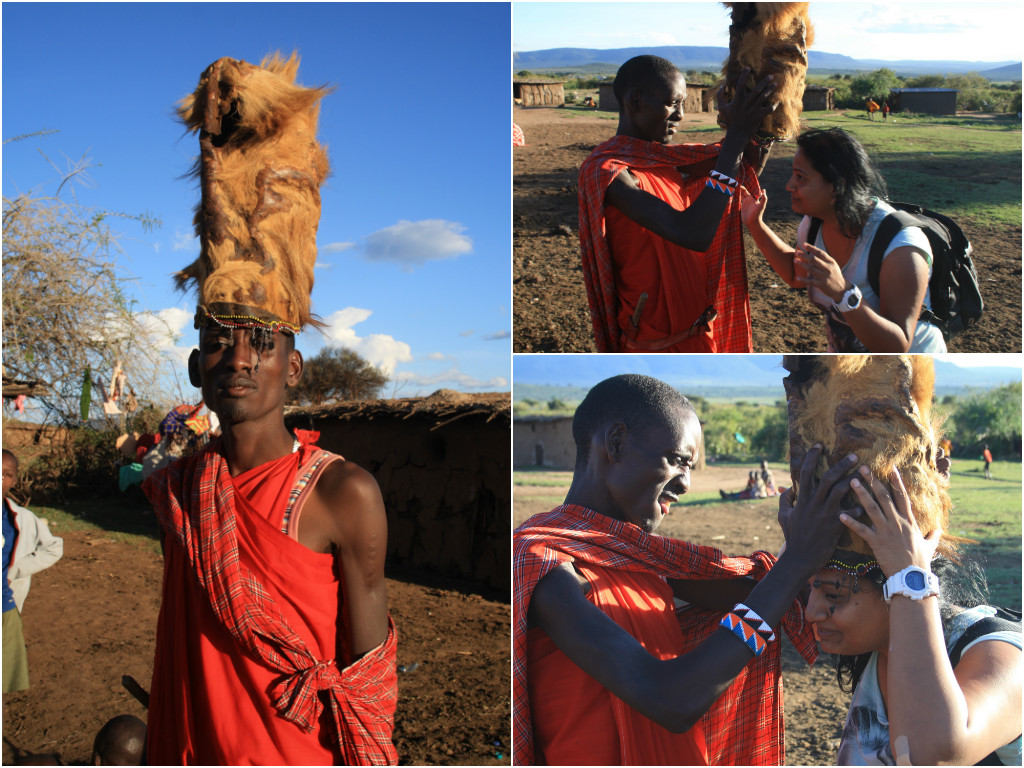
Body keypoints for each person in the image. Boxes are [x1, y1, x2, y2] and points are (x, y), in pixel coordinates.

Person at [142, 52, 397, 765]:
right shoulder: (185, 493)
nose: (240, 358)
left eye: (261, 341)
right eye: (219, 341)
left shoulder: (344, 494)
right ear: (197, 367)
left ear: (295, 364)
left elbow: (368, 678)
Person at [513, 374, 865, 765]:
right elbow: (670, 699)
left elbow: (770, 592)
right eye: (677, 461)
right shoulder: (545, 563)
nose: (686, 484)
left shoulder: (643, 560)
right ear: (615, 443)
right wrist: (795, 562)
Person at [808, 466, 1022, 765]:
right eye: (808, 593)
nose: (810, 613)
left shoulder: (1000, 653)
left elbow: (929, 756)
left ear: (892, 586)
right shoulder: (875, 647)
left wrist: (910, 576)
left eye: (833, 595)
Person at [577, 55, 778, 353]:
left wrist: (763, 121)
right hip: (653, 346)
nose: (680, 116)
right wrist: (735, 135)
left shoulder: (666, 160)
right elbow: (692, 233)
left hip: (699, 333)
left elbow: (743, 166)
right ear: (635, 101)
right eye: (672, 103)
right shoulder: (608, 173)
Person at [741, 127, 947, 353]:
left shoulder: (901, 247)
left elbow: (897, 345)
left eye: (801, 177)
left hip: (908, 372)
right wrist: (755, 224)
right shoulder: (814, 225)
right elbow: (796, 274)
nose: (789, 185)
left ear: (836, 188)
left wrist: (843, 293)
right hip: (853, 370)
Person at [2, 449, 64, 694]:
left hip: (6, 610)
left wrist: (16, 571)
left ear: (15, 480)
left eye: (6, 474)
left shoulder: (24, 519)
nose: (0, 479)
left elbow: (54, 547)